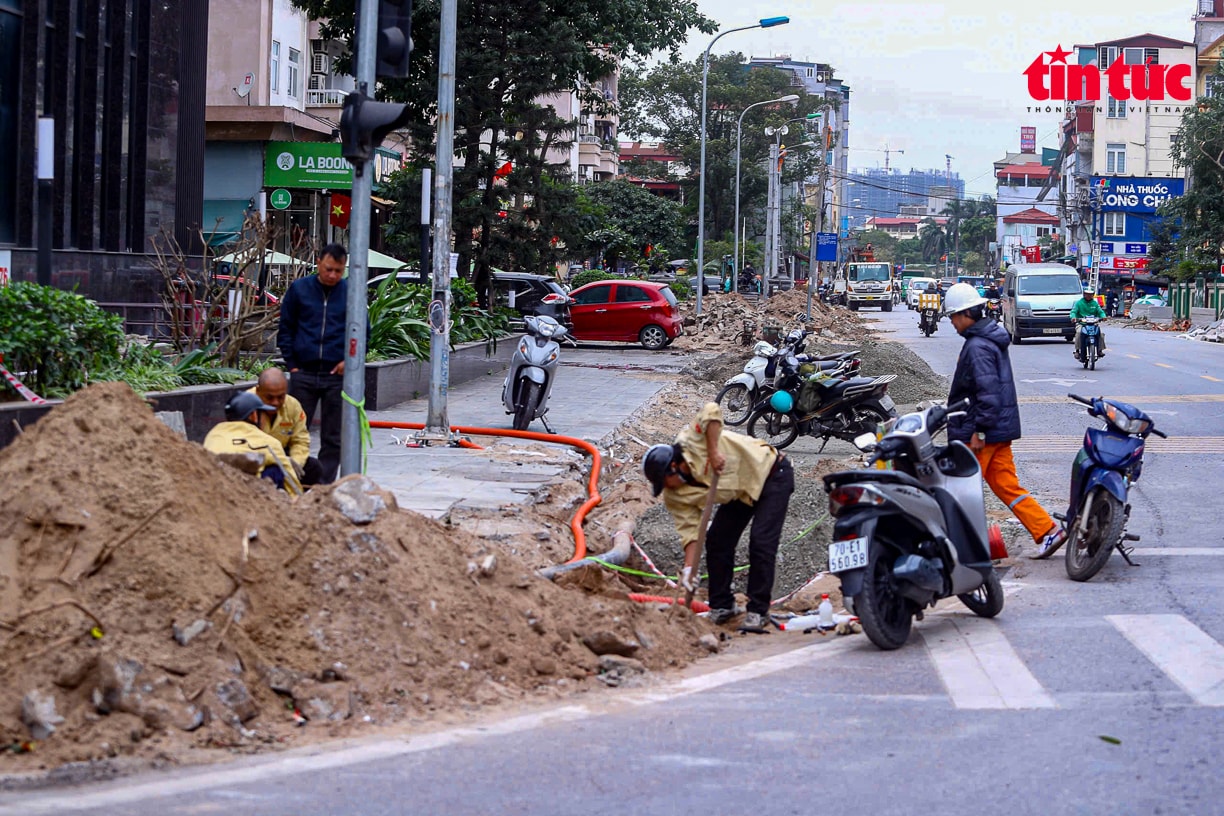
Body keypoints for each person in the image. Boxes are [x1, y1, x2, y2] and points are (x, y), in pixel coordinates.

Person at [642, 403, 794, 633]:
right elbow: (690, 533)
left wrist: (713, 451)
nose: (666, 489)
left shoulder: (690, 441)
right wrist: (688, 571)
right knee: (717, 541)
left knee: (761, 542)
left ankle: (758, 611)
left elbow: (711, 410)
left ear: (673, 467)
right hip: (739, 493)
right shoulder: (676, 496)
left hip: (771, 473)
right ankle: (722, 606)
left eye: (664, 482)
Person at [943, 283, 1066, 559]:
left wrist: (980, 432)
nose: (952, 323)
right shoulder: (990, 339)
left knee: (963, 493)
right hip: (1000, 430)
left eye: (953, 317)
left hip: (983, 434)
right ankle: (1047, 531)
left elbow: (988, 394)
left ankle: (971, 549)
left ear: (966, 315)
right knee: (1006, 486)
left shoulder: (977, 347)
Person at [277, 243, 350, 484]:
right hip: (303, 373)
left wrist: (347, 361)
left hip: (335, 375)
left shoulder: (350, 292)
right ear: (318, 263)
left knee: (333, 435)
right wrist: (293, 365)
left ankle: (323, 485)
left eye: (338, 271)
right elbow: (286, 328)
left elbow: (362, 332)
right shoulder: (300, 289)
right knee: (293, 430)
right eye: (329, 269)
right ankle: (293, 479)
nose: (332, 275)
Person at [204, 392, 303, 495]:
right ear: (254, 415)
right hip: (248, 491)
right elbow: (290, 479)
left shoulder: (213, 434)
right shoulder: (268, 441)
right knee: (276, 469)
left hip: (213, 487)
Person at [248, 367, 322, 486]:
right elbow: (241, 444)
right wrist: (277, 460)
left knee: (314, 467)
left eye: (280, 397)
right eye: (269, 397)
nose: (275, 402)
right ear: (258, 391)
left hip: (283, 454)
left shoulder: (293, 405)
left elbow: (300, 440)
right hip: (254, 456)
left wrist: (295, 462)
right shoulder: (244, 404)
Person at [1070, 288, 1107, 359]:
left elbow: (1100, 311)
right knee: (1078, 333)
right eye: (1087, 294)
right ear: (1084, 294)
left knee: (1100, 334)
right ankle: (1077, 350)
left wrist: (1103, 317)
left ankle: (1100, 350)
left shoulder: (1095, 303)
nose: (1089, 296)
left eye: (1090, 294)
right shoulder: (1079, 303)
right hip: (1082, 324)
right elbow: (1073, 312)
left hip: (1093, 324)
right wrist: (1073, 317)